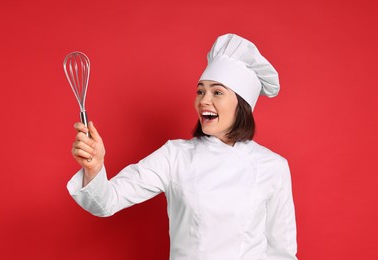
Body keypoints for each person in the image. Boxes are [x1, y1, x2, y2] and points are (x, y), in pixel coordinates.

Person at [67, 33, 298, 260]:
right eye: (200, 91)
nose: (204, 100)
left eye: (217, 92)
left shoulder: (273, 167)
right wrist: (94, 169)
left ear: (242, 104)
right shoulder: (175, 155)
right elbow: (107, 201)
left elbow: (282, 254)